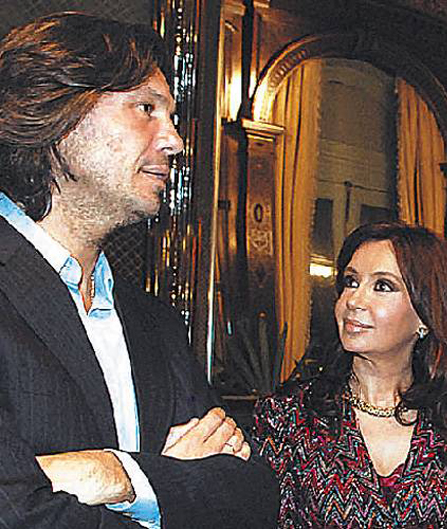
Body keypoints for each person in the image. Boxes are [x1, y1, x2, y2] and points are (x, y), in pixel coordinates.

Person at [0, 12, 278, 528]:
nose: (174, 141)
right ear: (55, 112)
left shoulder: (154, 320)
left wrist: (118, 474)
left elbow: (252, 498)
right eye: (146, 109)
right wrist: (171, 483)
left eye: (170, 116)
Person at [252, 221, 447, 527]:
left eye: (383, 286)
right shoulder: (288, 417)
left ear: (425, 316)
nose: (354, 301)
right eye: (351, 282)